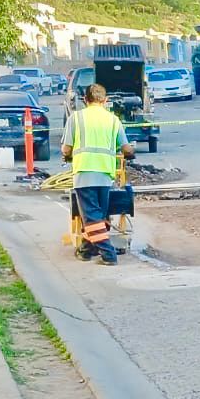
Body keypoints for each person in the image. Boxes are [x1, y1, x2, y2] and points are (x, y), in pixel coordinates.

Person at [62, 82, 133, 265]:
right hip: (105, 175)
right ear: (106, 100)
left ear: (85, 100)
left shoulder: (76, 118)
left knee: (92, 217)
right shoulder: (113, 120)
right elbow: (126, 148)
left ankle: (108, 254)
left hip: (84, 173)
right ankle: (86, 250)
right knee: (97, 216)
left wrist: (68, 155)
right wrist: (130, 153)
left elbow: (65, 149)